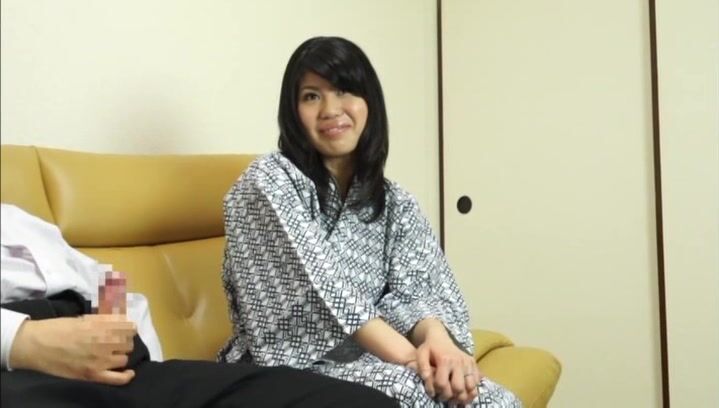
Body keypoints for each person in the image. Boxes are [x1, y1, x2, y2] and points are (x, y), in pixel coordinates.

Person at [219, 36, 522, 407]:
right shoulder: (266, 182)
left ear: (369, 102)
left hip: (369, 360)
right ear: (292, 111)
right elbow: (323, 285)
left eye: (344, 90)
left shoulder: (394, 201)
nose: (331, 109)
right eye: (311, 96)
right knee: (420, 394)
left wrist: (438, 342)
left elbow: (416, 289)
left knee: (493, 399)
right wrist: (416, 362)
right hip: (284, 371)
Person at [0, 203, 398, 408]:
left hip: (132, 371)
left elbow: (107, 278)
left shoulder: (16, 220)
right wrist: (21, 341)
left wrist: (126, 343)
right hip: (21, 372)